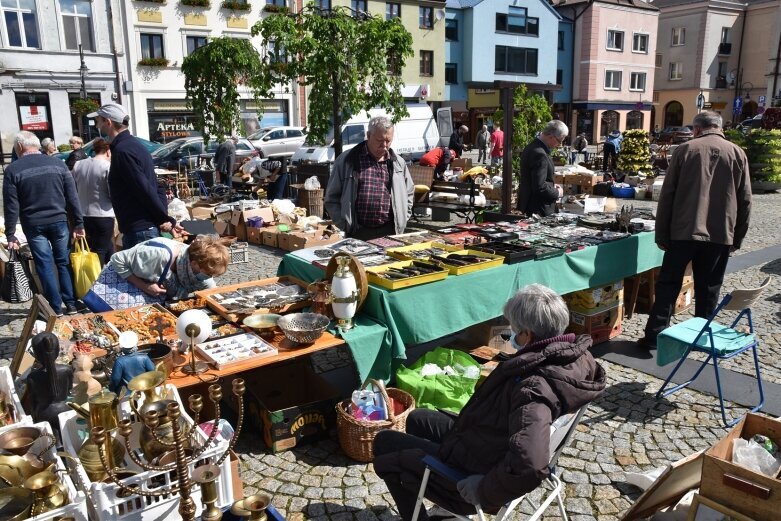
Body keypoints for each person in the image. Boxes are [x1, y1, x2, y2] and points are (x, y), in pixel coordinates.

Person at [373, 284, 606, 521]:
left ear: (528, 335)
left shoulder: (532, 389)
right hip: (490, 438)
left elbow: (532, 465)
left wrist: (483, 489)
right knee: (417, 418)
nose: (511, 335)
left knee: (383, 444)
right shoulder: (577, 356)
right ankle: (441, 507)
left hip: (476, 471)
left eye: (514, 330)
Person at [639, 111, 752, 349]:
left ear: (697, 129)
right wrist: (737, 237)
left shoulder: (685, 150)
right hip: (720, 233)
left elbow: (667, 196)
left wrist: (662, 234)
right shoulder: (737, 153)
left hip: (683, 232)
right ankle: (701, 336)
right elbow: (745, 201)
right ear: (719, 127)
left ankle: (655, 337)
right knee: (709, 288)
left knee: (668, 285)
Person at [3, 131, 85, 315]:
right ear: (37, 145)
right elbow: (72, 197)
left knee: (44, 265)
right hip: (59, 221)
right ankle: (70, 304)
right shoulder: (58, 164)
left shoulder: (13, 170)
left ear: (20, 147)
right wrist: (79, 224)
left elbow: (11, 205)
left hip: (33, 224)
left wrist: (10, 233)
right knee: (63, 263)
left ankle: (55, 308)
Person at [88, 103, 183, 249]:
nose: (97, 126)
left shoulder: (123, 150)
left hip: (140, 230)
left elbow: (144, 188)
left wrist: (165, 219)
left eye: (99, 121)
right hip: (142, 228)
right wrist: (163, 218)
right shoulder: (134, 146)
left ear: (108, 121)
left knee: (142, 272)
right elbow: (155, 186)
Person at [324, 116, 415, 241]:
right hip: (358, 232)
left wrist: (403, 217)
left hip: (390, 231)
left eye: (388, 141)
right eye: (379, 140)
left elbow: (409, 192)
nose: (384, 145)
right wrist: (344, 224)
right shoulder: (347, 160)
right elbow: (331, 198)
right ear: (368, 135)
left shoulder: (398, 163)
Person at [72, 138, 115, 265]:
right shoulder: (108, 166)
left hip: (82, 214)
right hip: (103, 214)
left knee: (99, 249)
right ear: (108, 151)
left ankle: (107, 278)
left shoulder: (78, 164)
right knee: (100, 252)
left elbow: (72, 187)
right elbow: (111, 192)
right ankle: (98, 282)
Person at [517, 120, 568, 217]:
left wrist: (551, 185)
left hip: (530, 205)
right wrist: (557, 192)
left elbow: (536, 180)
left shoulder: (531, 147)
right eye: (560, 141)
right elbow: (539, 186)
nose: (559, 145)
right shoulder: (540, 154)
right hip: (539, 208)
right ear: (551, 137)